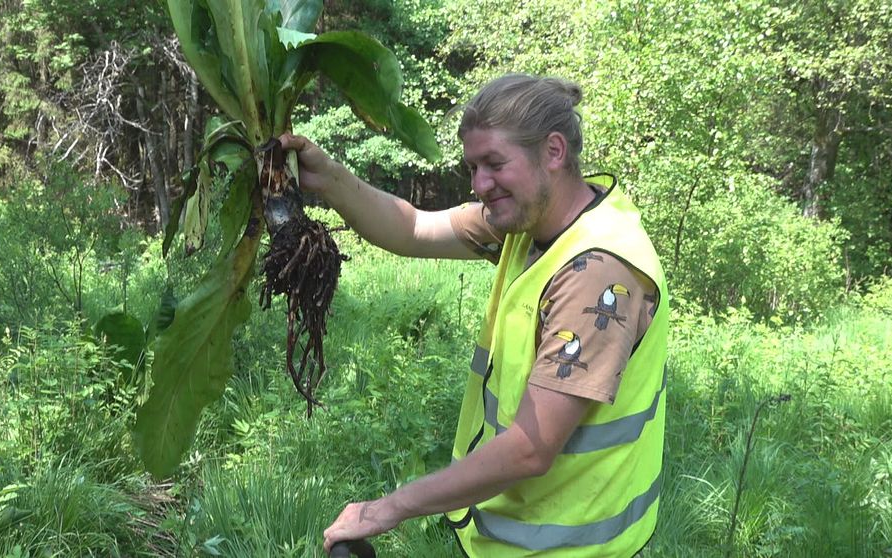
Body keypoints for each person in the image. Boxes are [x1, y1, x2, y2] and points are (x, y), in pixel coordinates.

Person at [280, 74, 668, 557]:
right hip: (513, 534)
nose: (480, 184)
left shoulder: (599, 272)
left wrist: (387, 508)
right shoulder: (528, 220)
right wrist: (327, 177)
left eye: (494, 164)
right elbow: (415, 229)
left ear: (553, 152)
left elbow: (531, 447)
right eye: (473, 167)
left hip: (571, 546)